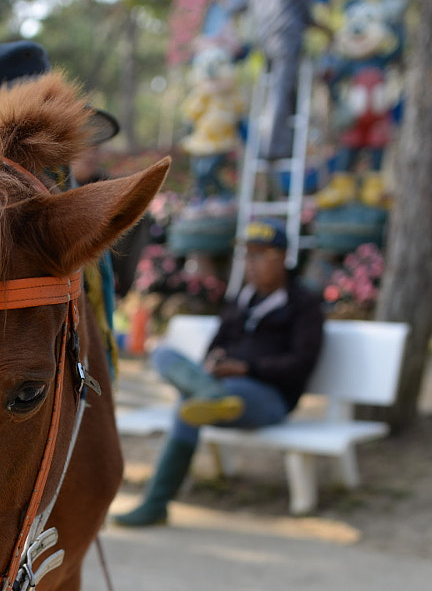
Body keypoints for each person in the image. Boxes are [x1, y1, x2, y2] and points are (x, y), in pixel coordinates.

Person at [114, 220, 324, 526]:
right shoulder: (243, 299)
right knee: (161, 352)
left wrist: (247, 368)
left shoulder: (303, 304)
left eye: (258, 256)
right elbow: (216, 344)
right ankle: (209, 393)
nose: (250, 265)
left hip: (269, 396)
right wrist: (215, 361)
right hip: (222, 387)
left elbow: (303, 362)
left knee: (189, 408)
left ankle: (156, 503)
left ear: (281, 258)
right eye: (247, 257)